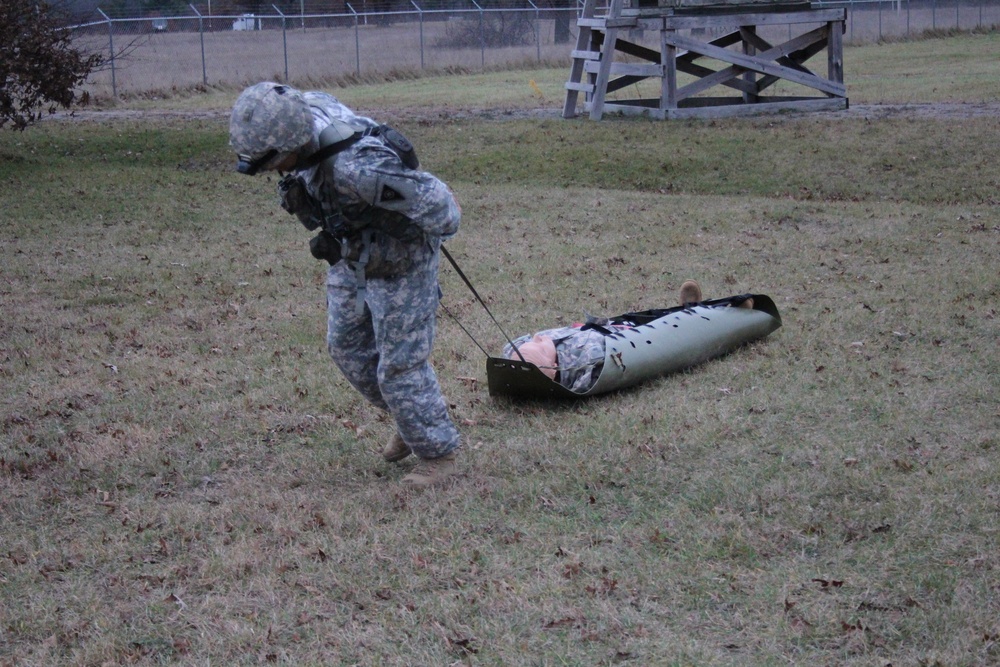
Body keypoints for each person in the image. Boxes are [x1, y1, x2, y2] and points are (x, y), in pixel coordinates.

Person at [229, 82, 461, 488]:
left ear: (292, 142)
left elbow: (444, 210)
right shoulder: (299, 116)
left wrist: (402, 232)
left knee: (399, 367)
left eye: (273, 161)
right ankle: (411, 420)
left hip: (402, 257)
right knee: (347, 346)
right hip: (350, 251)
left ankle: (439, 455)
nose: (272, 170)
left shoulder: (362, 168)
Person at [502, 280, 754, 393]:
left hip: (608, 327)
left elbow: (512, 352)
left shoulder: (529, 349)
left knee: (649, 316)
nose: (536, 339)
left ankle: (691, 309)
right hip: (623, 337)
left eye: (530, 343)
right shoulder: (582, 363)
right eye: (541, 348)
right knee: (664, 325)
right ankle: (719, 312)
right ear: (555, 365)